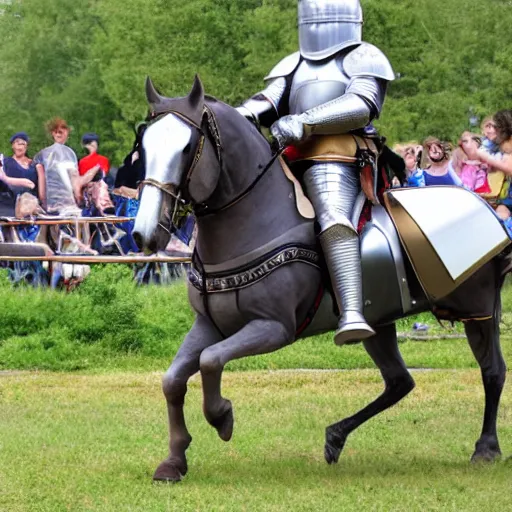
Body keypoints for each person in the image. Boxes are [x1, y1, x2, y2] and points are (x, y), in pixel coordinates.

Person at [236, 0, 395, 345]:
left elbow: (363, 105)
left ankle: (352, 312)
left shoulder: (363, 57)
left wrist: (305, 122)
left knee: (333, 216)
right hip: (287, 157)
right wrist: (236, 117)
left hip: (336, 155)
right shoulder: (295, 64)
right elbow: (268, 99)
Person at [33, 118, 98, 215]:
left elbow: (74, 180)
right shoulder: (45, 154)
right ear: (52, 133)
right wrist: (43, 202)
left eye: (61, 132)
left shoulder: (69, 153)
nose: (58, 134)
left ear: (67, 133)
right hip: (58, 206)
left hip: (63, 206)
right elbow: (42, 180)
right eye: (56, 132)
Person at [464, 109, 512, 221]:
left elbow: (508, 167)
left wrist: (486, 157)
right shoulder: (490, 146)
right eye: (488, 127)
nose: (492, 131)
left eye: (494, 127)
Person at [1, 132, 41, 200]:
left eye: (22, 144)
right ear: (12, 146)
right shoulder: (5, 161)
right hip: (10, 201)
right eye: (17, 143)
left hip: (32, 201)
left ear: (26, 147)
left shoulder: (34, 164)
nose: (19, 147)